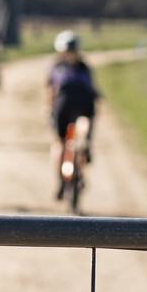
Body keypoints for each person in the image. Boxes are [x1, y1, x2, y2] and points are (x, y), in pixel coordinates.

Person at [45, 30, 99, 197]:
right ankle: (85, 144)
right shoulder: (84, 67)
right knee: (84, 125)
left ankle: (61, 182)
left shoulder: (56, 67)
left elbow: (50, 92)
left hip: (62, 106)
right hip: (84, 106)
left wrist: (48, 108)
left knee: (59, 144)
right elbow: (92, 91)